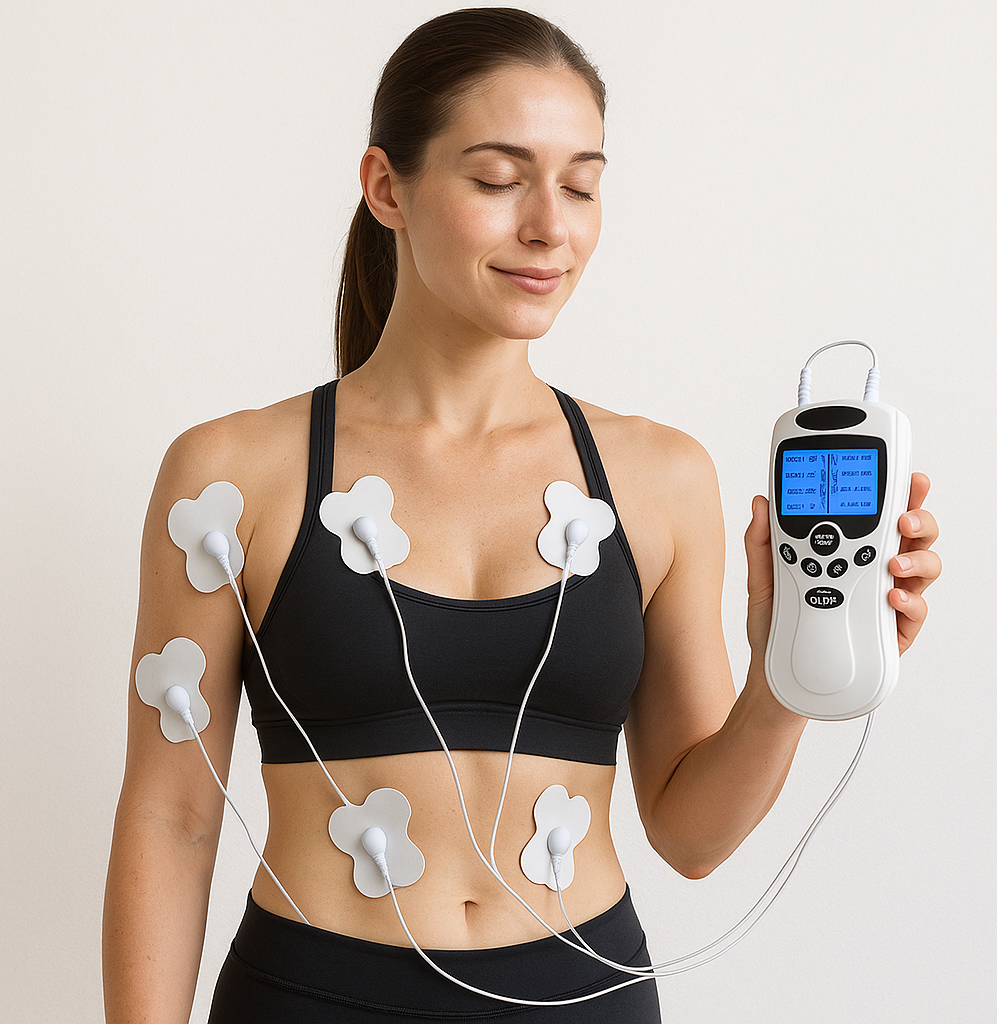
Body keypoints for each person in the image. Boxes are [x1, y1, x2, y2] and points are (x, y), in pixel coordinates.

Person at [101, 8, 941, 1022]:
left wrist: (787, 671)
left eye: (581, 185)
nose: (550, 226)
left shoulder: (660, 478)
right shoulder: (229, 477)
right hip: (310, 996)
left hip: (586, 996)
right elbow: (172, 815)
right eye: (500, 180)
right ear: (386, 188)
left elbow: (690, 837)